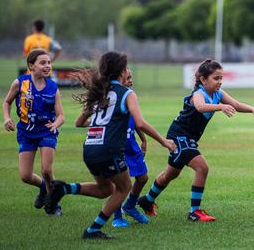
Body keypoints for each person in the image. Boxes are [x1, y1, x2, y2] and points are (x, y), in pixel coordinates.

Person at [45, 52, 176, 240]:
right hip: (109, 150)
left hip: (90, 148)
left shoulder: (99, 92)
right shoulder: (127, 94)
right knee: (123, 188)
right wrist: (164, 142)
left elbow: (79, 122)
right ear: (121, 71)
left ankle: (64, 189)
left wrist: (103, 124)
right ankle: (92, 230)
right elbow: (140, 122)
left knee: (105, 190)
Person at [137, 59, 254, 222]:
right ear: (203, 80)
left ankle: (147, 200)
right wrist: (220, 107)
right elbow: (200, 106)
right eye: (216, 78)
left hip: (188, 138)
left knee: (171, 174)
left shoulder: (218, 93)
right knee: (202, 167)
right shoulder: (199, 94)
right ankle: (195, 211)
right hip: (179, 137)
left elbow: (236, 104)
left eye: (221, 78)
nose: (219, 82)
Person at [2, 48, 65, 215]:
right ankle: (45, 188)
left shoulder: (53, 88)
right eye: (42, 63)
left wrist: (55, 125)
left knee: (46, 170)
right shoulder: (20, 83)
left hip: (46, 131)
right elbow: (6, 102)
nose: (47, 66)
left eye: (49, 62)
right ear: (31, 65)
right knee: (25, 176)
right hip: (26, 132)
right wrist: (6, 118)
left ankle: (53, 203)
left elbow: (61, 116)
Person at [110, 68, 152, 228]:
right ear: (118, 79)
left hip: (131, 144)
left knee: (143, 177)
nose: (130, 81)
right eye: (127, 78)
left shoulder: (131, 95)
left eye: (131, 77)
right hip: (117, 146)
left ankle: (129, 206)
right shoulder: (113, 97)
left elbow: (137, 121)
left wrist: (143, 140)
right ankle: (117, 216)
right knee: (119, 182)